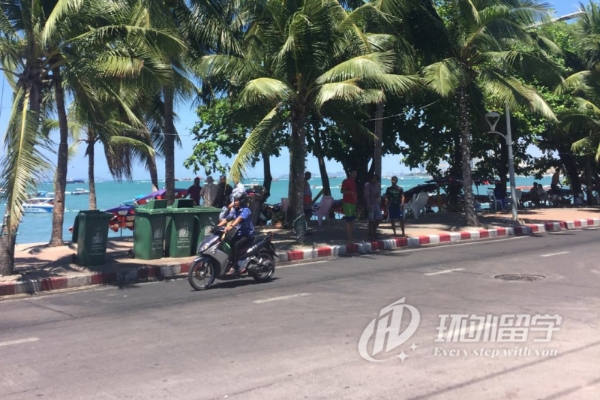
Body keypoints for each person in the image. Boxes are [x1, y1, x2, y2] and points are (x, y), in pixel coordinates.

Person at [216, 192, 255, 276]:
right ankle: (230, 262)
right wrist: (216, 227)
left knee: (236, 245)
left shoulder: (246, 210)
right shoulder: (235, 210)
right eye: (235, 200)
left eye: (237, 201)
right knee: (226, 243)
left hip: (247, 235)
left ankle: (236, 266)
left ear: (242, 201)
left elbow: (239, 219)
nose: (235, 202)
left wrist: (231, 226)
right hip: (238, 233)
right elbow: (227, 219)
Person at [341, 170, 358, 242]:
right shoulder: (346, 181)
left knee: (352, 220)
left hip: (353, 202)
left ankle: (351, 236)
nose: (355, 174)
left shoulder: (354, 182)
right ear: (350, 173)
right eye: (353, 173)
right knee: (348, 220)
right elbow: (342, 191)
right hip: (348, 202)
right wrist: (350, 193)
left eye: (356, 173)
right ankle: (349, 237)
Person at [364, 174, 382, 240]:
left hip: (377, 204)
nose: (375, 180)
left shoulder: (377, 185)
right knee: (371, 220)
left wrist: (379, 201)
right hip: (371, 204)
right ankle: (371, 234)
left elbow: (378, 194)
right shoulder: (367, 185)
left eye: (376, 178)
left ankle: (373, 232)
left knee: (379, 218)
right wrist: (368, 205)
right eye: (374, 178)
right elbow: (366, 195)